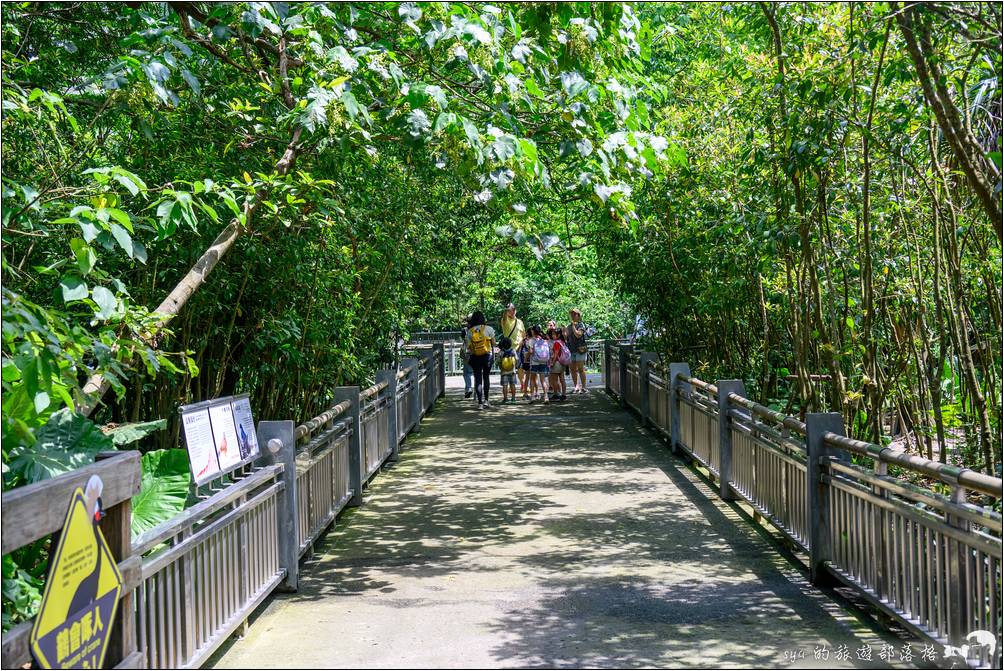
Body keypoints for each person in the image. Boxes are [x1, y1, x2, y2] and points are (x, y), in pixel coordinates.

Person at [465, 311, 496, 409]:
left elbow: (468, 347)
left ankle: (480, 403)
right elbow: (494, 343)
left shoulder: (470, 331)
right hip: (487, 356)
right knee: (486, 377)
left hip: (475, 357)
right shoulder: (489, 329)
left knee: (478, 379)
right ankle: (486, 401)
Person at [499, 303, 526, 393]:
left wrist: (521, 342)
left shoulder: (520, 322)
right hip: (508, 349)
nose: (513, 311)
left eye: (514, 309)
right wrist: (507, 309)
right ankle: (511, 386)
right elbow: (504, 317)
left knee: (520, 368)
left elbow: (523, 334)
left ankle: (523, 385)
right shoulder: (505, 320)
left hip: (519, 347)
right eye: (511, 309)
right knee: (509, 368)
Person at [566, 309, 589, 394]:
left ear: (578, 315)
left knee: (580, 369)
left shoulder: (581, 325)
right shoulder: (569, 325)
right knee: (572, 369)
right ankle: (576, 386)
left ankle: (583, 387)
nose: (572, 315)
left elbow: (578, 335)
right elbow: (566, 337)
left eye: (574, 314)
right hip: (571, 350)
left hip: (580, 350)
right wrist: (564, 331)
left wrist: (573, 326)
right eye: (571, 314)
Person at [528, 325, 551, 404]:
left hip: (534, 362)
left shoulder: (531, 340)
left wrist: (526, 356)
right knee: (543, 380)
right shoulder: (544, 340)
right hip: (543, 361)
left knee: (532, 379)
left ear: (533, 331)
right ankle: (546, 397)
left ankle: (532, 397)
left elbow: (531, 352)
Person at [548, 327, 570, 401]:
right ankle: (563, 394)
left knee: (554, 380)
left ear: (558, 335)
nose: (553, 336)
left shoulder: (557, 343)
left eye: (554, 334)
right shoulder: (562, 342)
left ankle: (556, 394)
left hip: (557, 363)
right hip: (562, 363)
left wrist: (552, 363)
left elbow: (556, 354)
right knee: (562, 379)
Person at [497, 337, 518, 403]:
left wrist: (501, 368)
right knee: (512, 385)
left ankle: (505, 399)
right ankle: (513, 399)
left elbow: (498, 361)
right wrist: (515, 366)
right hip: (512, 371)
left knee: (505, 385)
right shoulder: (513, 350)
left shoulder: (501, 352)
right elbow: (517, 359)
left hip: (504, 372)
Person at [518, 331, 535, 400]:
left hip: (525, 361)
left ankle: (525, 393)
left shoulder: (524, 340)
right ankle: (533, 394)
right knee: (533, 378)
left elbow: (519, 350)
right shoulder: (533, 341)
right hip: (532, 361)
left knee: (527, 378)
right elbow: (531, 351)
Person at [459, 317, 474, 398]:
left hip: (467, 353)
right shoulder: (479, 330)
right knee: (476, 373)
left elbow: (463, 339)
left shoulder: (464, 330)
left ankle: (468, 388)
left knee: (466, 373)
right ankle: (478, 392)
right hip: (477, 353)